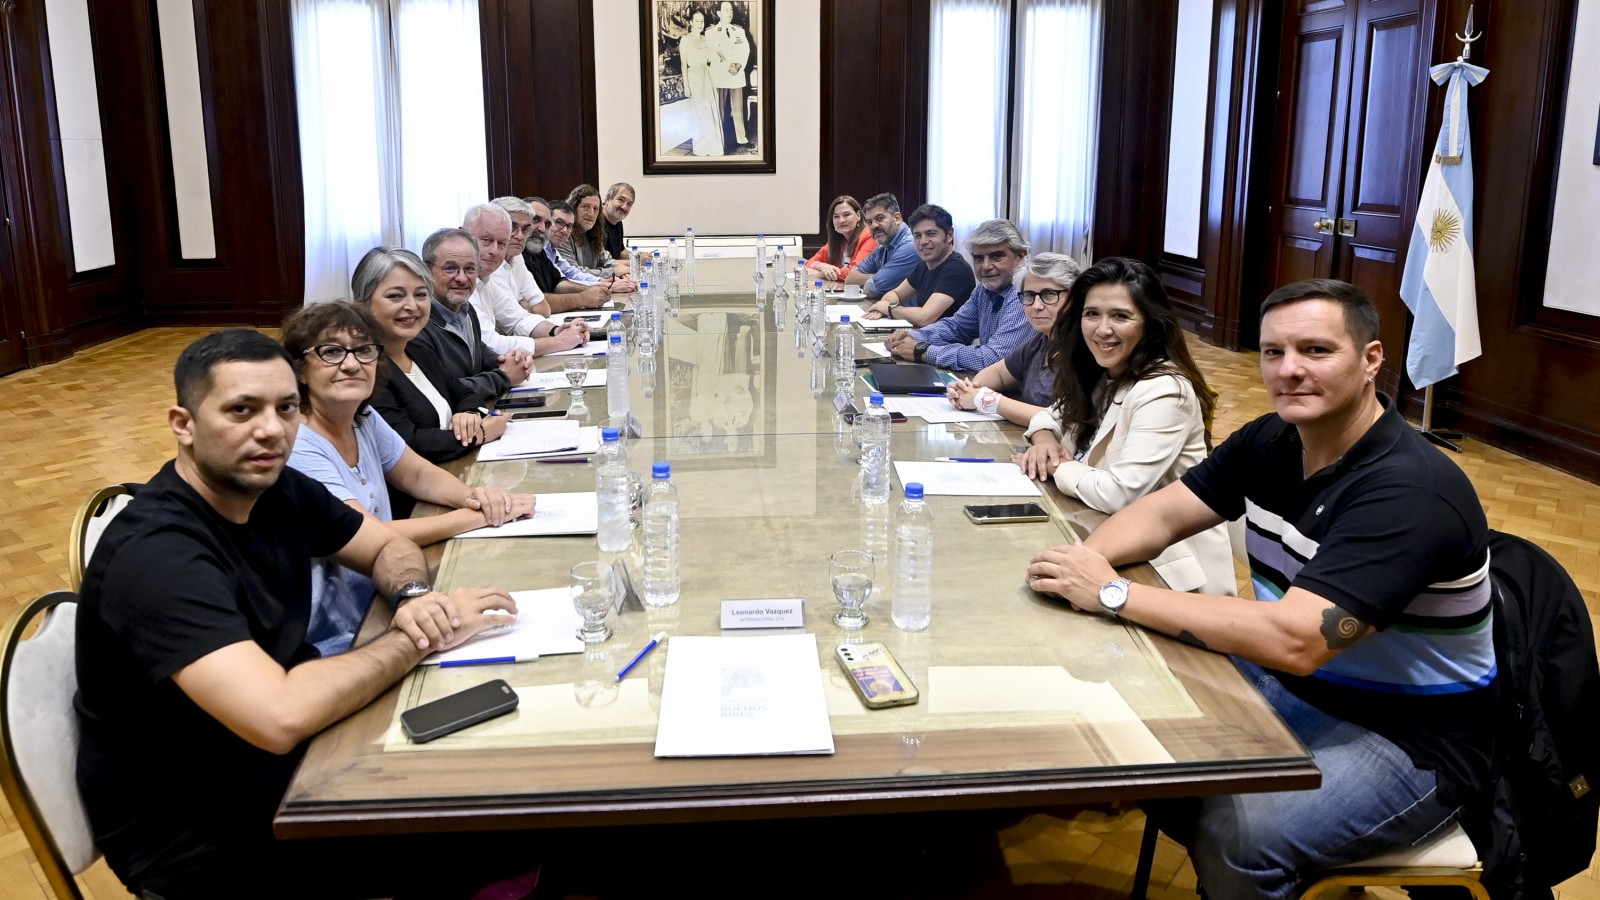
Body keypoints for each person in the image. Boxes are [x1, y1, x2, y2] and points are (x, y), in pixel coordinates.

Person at [1026, 279, 1495, 900]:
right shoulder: (1272, 438)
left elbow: (1301, 640)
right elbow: (1163, 515)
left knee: (1242, 836)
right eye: (1274, 352)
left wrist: (1114, 594)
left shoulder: (1410, 491)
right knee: (1134, 726)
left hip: (1413, 736)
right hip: (1297, 685)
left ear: (1371, 360)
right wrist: (1083, 562)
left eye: (1316, 351)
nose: (1290, 370)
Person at [73, 328, 517, 898]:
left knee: (503, 783)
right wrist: (419, 638)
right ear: (183, 424)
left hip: (292, 764)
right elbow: (278, 715)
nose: (270, 430)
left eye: (285, 408)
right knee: (512, 825)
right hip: (212, 839)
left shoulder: (275, 487)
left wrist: (413, 599)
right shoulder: (158, 556)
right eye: (241, 410)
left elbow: (383, 544)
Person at [281, 301, 535, 656]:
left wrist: (474, 496)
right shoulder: (299, 445)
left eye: (364, 351)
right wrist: (477, 517)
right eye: (332, 352)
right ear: (300, 370)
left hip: (390, 588)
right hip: (342, 632)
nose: (352, 364)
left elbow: (415, 473)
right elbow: (367, 532)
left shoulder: (362, 416)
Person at [1011, 256, 1232, 595]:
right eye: (1092, 314)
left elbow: (1119, 493)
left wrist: (1058, 466)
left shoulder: (1164, 390)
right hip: (1099, 535)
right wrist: (1043, 440)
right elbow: (1047, 416)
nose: (1102, 329)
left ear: (1149, 323)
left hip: (1164, 575)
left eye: (1120, 316)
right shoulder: (1103, 373)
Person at [352, 246, 505, 468]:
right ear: (363, 303)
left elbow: (464, 394)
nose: (412, 306)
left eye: (421, 295)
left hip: (456, 468)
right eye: (395, 296)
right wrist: (480, 432)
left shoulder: (418, 349)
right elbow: (408, 443)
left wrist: (468, 414)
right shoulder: (364, 367)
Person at [883, 218, 1033, 372]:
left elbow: (992, 359)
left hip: (1018, 394)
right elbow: (957, 327)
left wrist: (922, 351)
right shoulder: (985, 289)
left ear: (1021, 256)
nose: (986, 266)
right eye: (978, 258)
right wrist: (915, 337)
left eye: (996, 256)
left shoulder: (1026, 295)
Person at [947, 252, 1078, 424]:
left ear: (1075, 297)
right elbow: (999, 373)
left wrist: (985, 400)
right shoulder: (1041, 340)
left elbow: (1063, 418)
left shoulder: (1085, 346)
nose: (1036, 306)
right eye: (1029, 295)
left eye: (1049, 295)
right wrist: (968, 390)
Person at [414, 227, 534, 397]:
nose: (462, 278)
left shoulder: (466, 310)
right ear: (426, 271)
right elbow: (441, 391)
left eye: (470, 269)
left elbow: (479, 354)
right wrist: (503, 376)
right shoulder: (417, 324)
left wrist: (511, 361)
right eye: (450, 268)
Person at [463, 202, 589, 357]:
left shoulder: (484, 278)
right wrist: (561, 341)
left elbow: (519, 319)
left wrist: (558, 330)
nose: (494, 251)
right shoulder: (461, 283)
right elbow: (491, 345)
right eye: (486, 240)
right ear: (463, 235)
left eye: (502, 243)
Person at [863, 203, 975, 327]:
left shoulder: (956, 269)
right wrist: (882, 307)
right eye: (917, 236)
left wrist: (889, 309)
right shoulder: (924, 265)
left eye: (931, 234)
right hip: (924, 339)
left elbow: (925, 317)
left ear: (949, 235)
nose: (923, 242)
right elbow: (896, 294)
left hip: (947, 345)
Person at [520, 196, 627, 310]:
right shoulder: (520, 253)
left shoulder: (539, 250)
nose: (541, 228)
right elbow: (533, 302)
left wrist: (601, 285)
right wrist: (582, 297)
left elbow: (560, 281)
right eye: (535, 219)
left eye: (596, 209)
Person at [844, 192, 920, 299]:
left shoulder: (910, 246)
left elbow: (872, 289)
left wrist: (880, 279)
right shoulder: (882, 246)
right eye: (869, 222)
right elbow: (850, 280)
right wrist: (881, 276)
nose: (874, 226)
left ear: (897, 218)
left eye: (880, 218)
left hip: (909, 313)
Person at [676, 11, 724, 158]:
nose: (700, 24)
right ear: (691, 22)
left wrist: (719, 53)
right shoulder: (685, 40)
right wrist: (686, 86)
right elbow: (684, 64)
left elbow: (711, 58)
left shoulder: (705, 39)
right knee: (699, 113)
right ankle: (701, 148)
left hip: (707, 76)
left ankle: (714, 148)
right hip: (694, 76)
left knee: (710, 111)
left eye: (702, 21)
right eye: (697, 21)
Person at [706, 2, 751, 151]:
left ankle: (741, 138)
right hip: (720, 75)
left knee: (738, 109)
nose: (730, 13)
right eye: (726, 10)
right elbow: (713, 53)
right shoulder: (710, 33)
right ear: (718, 13)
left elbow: (745, 49)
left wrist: (738, 65)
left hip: (736, 74)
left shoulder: (739, 31)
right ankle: (719, 141)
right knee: (719, 110)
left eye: (731, 10)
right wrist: (728, 66)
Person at [804, 194, 877, 282]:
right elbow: (810, 263)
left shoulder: (869, 237)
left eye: (846, 215)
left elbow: (853, 274)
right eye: (836, 217)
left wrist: (820, 274)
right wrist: (823, 266)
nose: (841, 220)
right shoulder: (840, 240)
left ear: (858, 216)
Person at [561, 184, 622, 277]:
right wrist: (612, 272)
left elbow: (607, 260)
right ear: (573, 209)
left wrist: (623, 272)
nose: (591, 214)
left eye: (595, 209)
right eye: (585, 207)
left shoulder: (593, 234)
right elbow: (573, 272)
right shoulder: (563, 235)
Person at [601, 182, 636, 261]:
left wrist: (637, 256)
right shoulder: (596, 223)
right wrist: (636, 261)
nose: (624, 207)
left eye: (629, 204)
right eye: (621, 200)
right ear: (608, 199)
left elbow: (620, 252)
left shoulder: (618, 222)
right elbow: (603, 263)